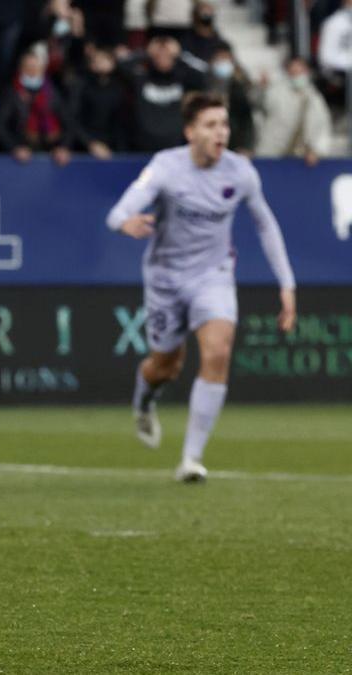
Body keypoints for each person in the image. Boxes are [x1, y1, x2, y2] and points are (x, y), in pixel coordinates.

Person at [105, 92, 296, 483]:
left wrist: (287, 285)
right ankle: (145, 398)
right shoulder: (166, 167)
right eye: (210, 125)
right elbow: (120, 210)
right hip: (165, 278)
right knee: (166, 365)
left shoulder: (240, 172)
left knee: (218, 351)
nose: (220, 132)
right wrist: (125, 222)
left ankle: (191, 459)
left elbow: (266, 225)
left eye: (224, 124)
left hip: (214, 275)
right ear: (190, 132)